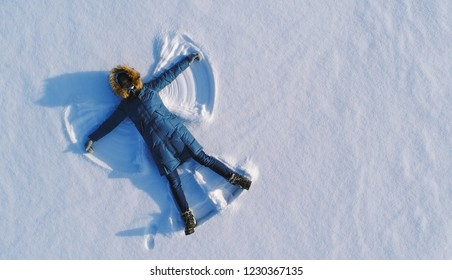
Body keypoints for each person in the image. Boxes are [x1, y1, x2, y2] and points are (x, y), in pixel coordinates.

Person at [85, 53, 251, 235]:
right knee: (174, 181)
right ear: (120, 89)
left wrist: (188, 61)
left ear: (134, 77)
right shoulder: (126, 108)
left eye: (129, 80)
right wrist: (93, 137)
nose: (128, 86)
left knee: (204, 159)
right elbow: (110, 123)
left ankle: (235, 179)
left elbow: (170, 75)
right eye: (124, 84)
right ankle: (187, 216)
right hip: (159, 147)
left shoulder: (150, 90)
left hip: (178, 134)